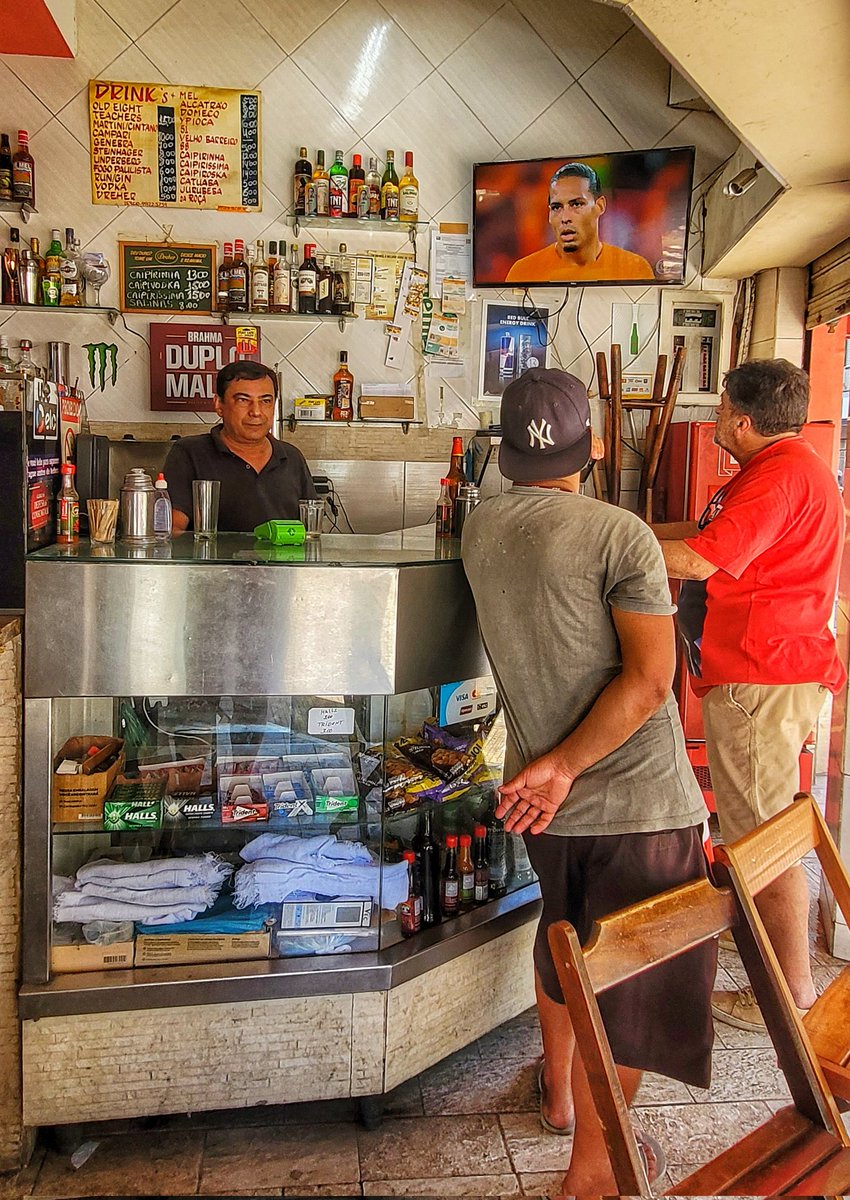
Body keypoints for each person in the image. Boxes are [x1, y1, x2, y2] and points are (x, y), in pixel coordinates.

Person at [461, 368, 713, 1197]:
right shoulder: (621, 535)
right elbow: (648, 681)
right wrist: (569, 766)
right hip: (633, 800)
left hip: (543, 804)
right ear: (594, 448)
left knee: (564, 942)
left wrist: (552, 772)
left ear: (503, 452)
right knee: (632, 994)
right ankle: (592, 1177)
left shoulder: (479, 527)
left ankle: (562, 1096)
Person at [653, 359, 845, 1031]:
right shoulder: (783, 468)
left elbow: (700, 561)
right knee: (757, 830)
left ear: (739, 419)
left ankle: (787, 996)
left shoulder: (780, 478)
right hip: (768, 671)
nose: (713, 423)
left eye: (720, 411)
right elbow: (701, 536)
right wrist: (618, 532)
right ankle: (774, 959)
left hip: (762, 677)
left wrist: (609, 552)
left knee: (761, 841)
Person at [164, 360, 317, 533]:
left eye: (266, 401)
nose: (256, 412)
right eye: (243, 400)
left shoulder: (291, 457)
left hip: (284, 560)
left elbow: (310, 528)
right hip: (218, 560)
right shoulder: (189, 453)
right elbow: (172, 528)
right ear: (219, 405)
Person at [505, 162, 655, 284]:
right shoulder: (522, 272)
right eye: (557, 207)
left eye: (576, 205)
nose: (565, 218)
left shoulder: (634, 269)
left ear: (600, 206)